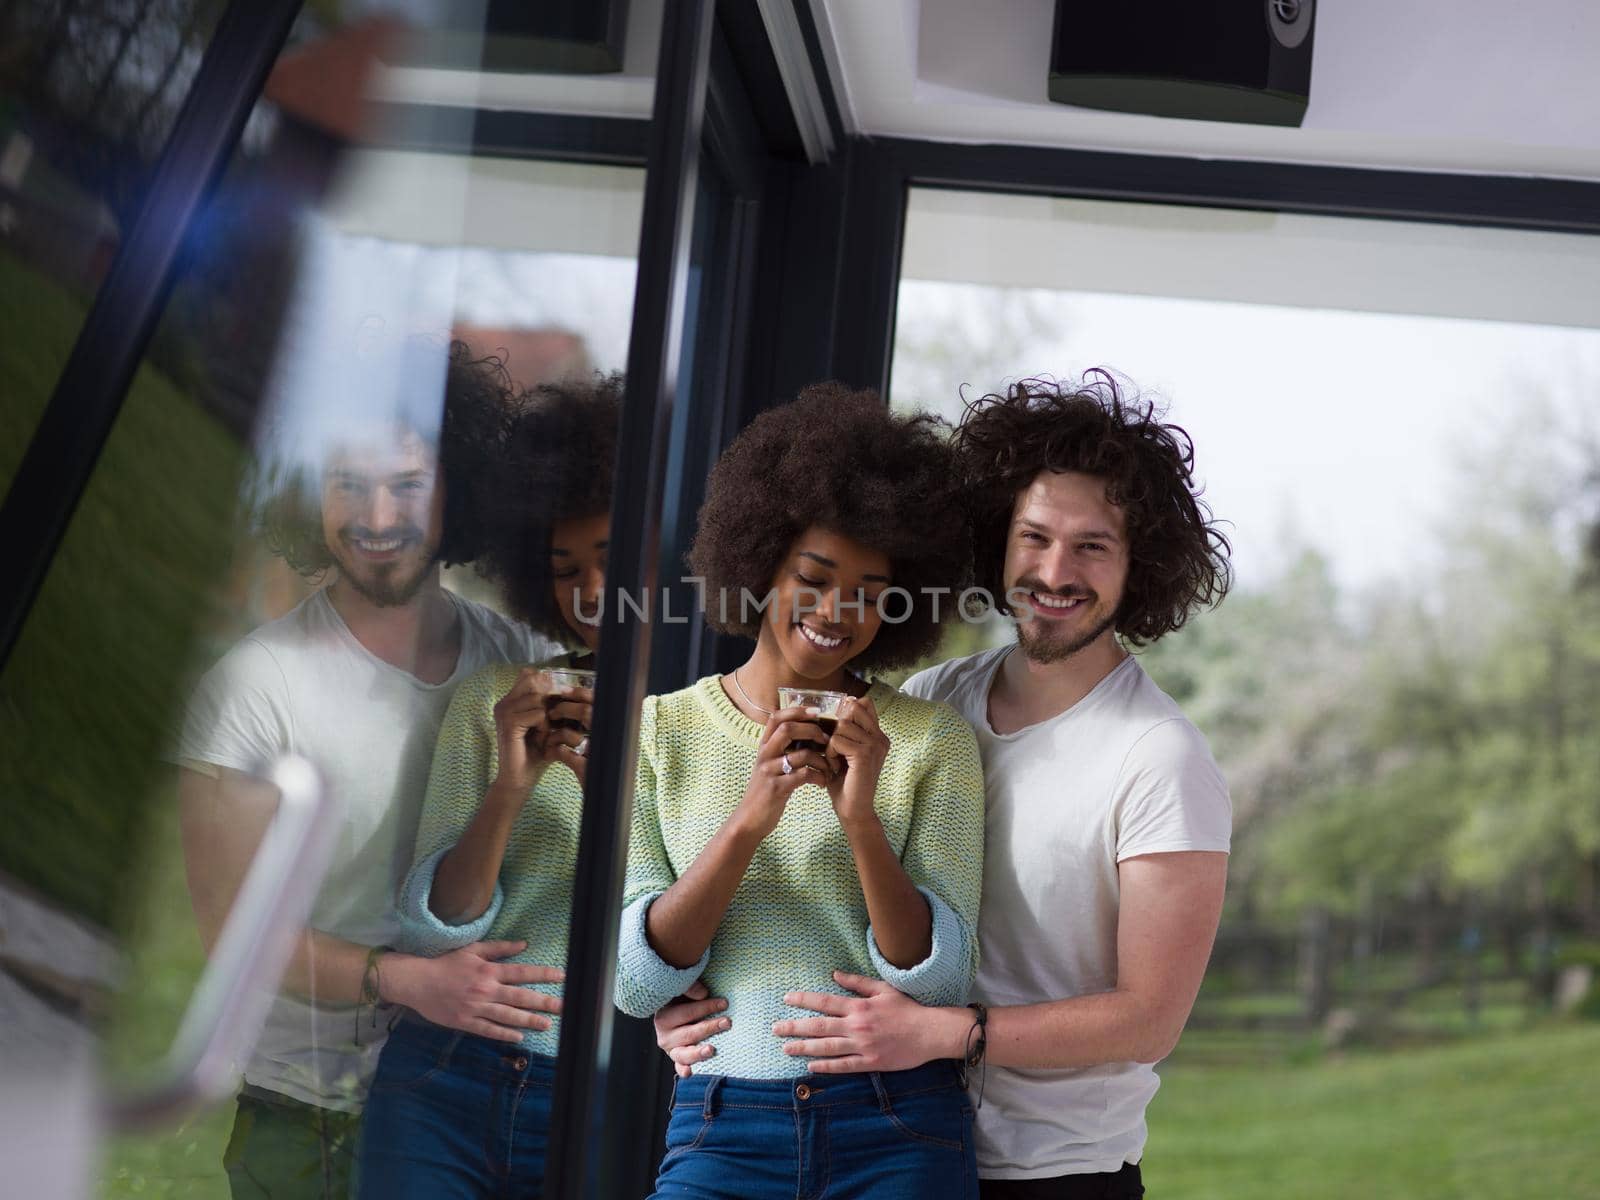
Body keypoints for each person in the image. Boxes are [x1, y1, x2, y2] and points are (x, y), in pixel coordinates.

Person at [658, 374, 1233, 1199]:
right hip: (890, 1136)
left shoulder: (1159, 757)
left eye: (1092, 546)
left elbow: (1150, 1019)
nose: (1054, 570)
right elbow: (810, 897)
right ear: (999, 539)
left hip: (1053, 1172)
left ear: (1140, 567)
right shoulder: (931, 706)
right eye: (1033, 537)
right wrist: (689, 1013)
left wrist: (941, 1034)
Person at [176, 341, 557, 1199]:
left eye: (407, 483)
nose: (376, 514)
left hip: (480, 1099)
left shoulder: (518, 660)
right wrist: (410, 983)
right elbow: (234, 942)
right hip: (310, 1113)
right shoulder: (252, 689)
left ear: (457, 489)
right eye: (347, 481)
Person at [614, 383, 988, 1200]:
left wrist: (861, 820)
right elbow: (638, 983)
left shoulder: (930, 742)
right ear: (757, 567)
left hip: (897, 1125)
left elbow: (942, 980)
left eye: (868, 592)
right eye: (812, 577)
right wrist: (751, 821)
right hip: (722, 1125)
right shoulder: (660, 732)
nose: (836, 612)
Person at [356, 372, 624, 1197]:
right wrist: (510, 789)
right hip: (446, 1076)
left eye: (611, 560)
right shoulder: (497, 702)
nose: (587, 592)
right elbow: (433, 928)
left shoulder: (719, 724)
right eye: (563, 567)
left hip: (606, 1099)